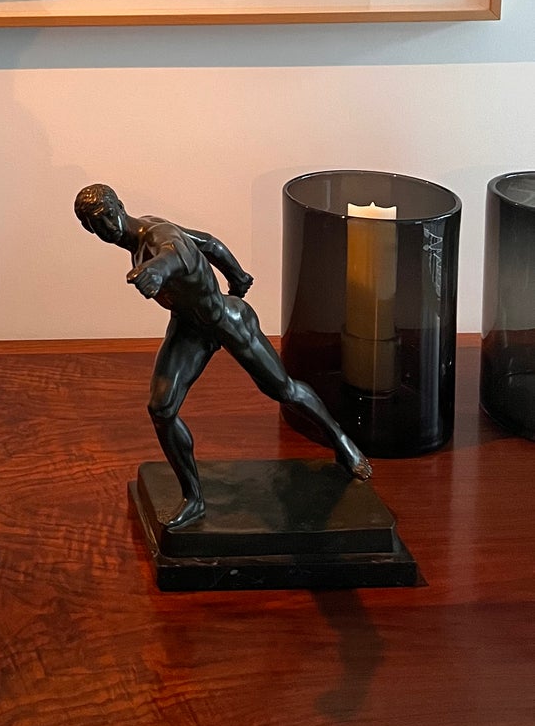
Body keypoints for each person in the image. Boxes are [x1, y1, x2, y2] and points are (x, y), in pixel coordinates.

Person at [74, 183, 371, 530]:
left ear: (120, 206)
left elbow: (175, 254)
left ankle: (341, 440)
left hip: (227, 321)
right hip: (189, 328)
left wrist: (157, 271)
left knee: (283, 390)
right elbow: (208, 243)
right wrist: (237, 275)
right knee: (161, 409)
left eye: (107, 216)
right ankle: (194, 499)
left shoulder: (157, 236)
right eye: (95, 224)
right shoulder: (144, 233)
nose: (106, 227)